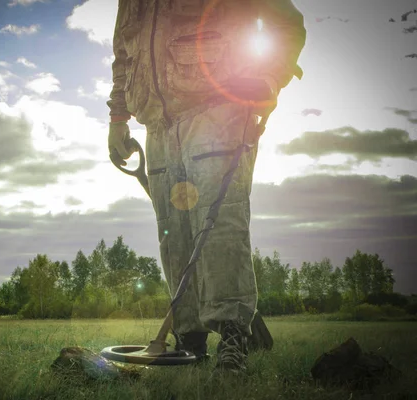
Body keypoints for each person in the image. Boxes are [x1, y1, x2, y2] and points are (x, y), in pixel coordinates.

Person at [107, 0, 306, 372]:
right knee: (174, 234)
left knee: (219, 227)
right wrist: (118, 117)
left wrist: (268, 78)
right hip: (158, 124)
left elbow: (287, 22)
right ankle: (190, 340)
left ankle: (233, 335)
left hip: (220, 109)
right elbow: (123, 53)